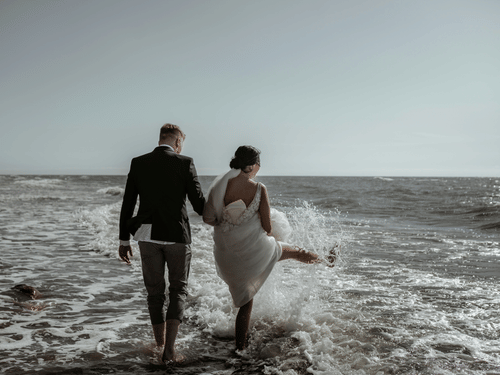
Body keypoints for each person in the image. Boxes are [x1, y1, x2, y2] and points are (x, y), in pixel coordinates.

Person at [203, 145, 325, 351]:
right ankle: (325, 260)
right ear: (251, 166)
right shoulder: (259, 188)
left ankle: (239, 348)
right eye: (259, 164)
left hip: (225, 256)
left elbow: (210, 219)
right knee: (294, 251)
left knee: (245, 303)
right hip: (253, 252)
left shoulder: (220, 187)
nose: (259, 168)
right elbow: (268, 227)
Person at [118, 123, 205, 364]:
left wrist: (123, 239)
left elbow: (128, 203)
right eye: (181, 144)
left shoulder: (139, 162)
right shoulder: (185, 162)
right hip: (177, 235)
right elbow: (198, 204)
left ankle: (158, 344)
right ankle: (170, 349)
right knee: (178, 289)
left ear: (160, 140)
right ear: (178, 143)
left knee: (155, 293)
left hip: (147, 236)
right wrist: (221, 214)